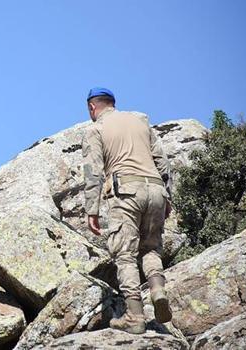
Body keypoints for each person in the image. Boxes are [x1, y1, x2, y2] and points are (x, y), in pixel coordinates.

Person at [82, 87, 173, 334]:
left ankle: (134, 316)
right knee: (151, 247)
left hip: (126, 192)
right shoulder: (140, 119)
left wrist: (92, 210)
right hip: (155, 189)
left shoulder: (95, 129)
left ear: (92, 107)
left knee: (125, 254)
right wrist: (168, 198)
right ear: (113, 103)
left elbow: (93, 173)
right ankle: (157, 291)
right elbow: (162, 162)